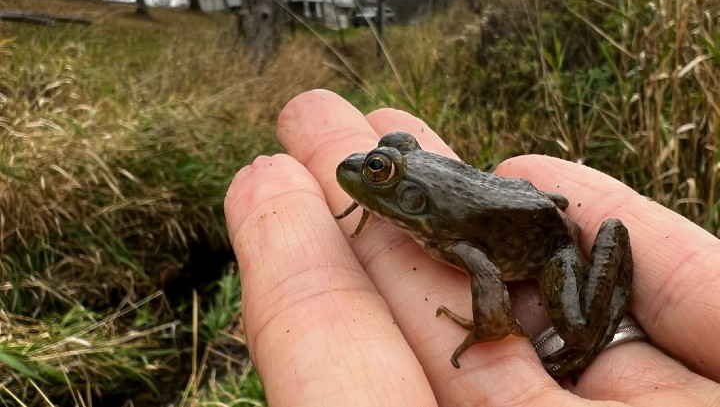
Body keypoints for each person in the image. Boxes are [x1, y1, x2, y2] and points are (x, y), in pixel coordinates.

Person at [224, 89, 720, 406]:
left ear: (413, 197)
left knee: (579, 329)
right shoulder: (422, 213)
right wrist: (374, 201)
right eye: (384, 161)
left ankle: (605, 320)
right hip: (526, 200)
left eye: (380, 172)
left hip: (550, 247)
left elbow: (484, 270)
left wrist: (491, 328)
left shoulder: (446, 235)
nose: (367, 172)